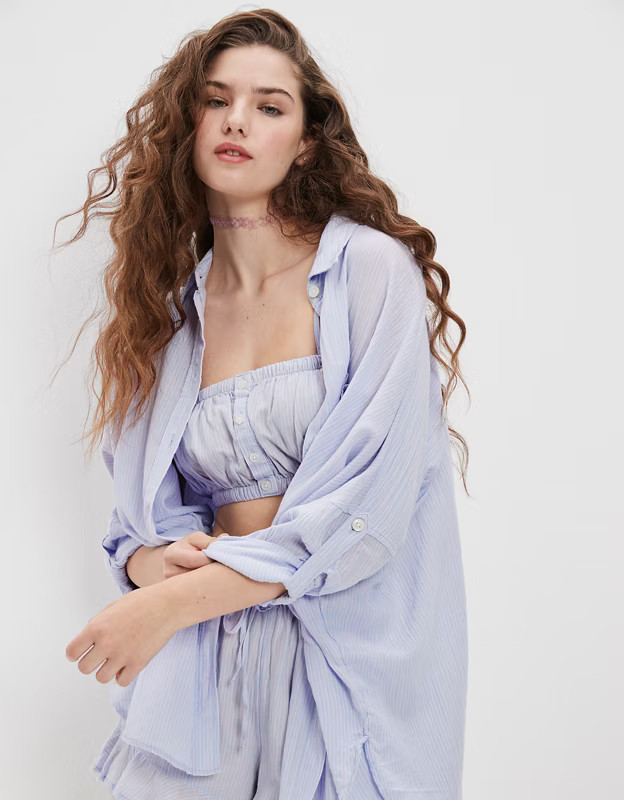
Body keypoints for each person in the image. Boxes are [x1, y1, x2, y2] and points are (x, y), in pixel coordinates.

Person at [61, 8, 471, 800]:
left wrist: (168, 604)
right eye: (216, 100)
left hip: (340, 657)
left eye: (269, 105)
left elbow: (365, 512)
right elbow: (135, 528)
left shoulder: (368, 272)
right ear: (188, 125)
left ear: (307, 140)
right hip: (206, 660)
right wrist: (158, 567)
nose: (237, 121)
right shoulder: (168, 317)